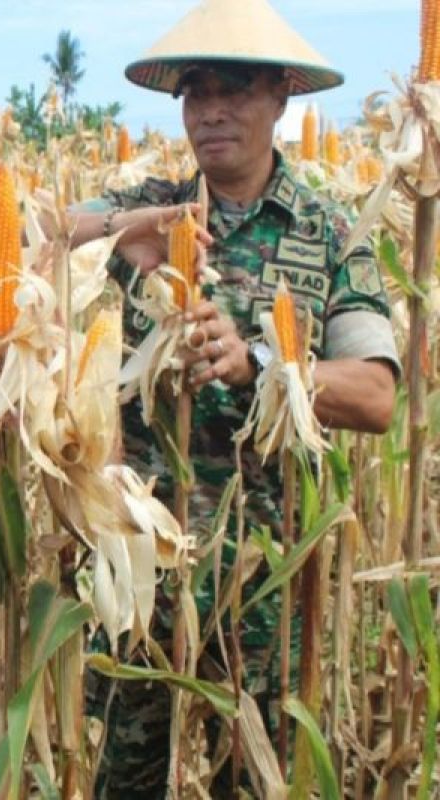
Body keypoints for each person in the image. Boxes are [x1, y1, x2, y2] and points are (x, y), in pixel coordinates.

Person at [69, 0, 399, 794]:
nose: (211, 109)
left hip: (264, 586)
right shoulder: (153, 205)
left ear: (282, 95)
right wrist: (132, 225)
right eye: (195, 91)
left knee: (256, 781)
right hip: (141, 570)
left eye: (236, 89)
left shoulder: (328, 232)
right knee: (125, 778)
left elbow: (376, 395)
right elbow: (35, 235)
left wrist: (264, 363)